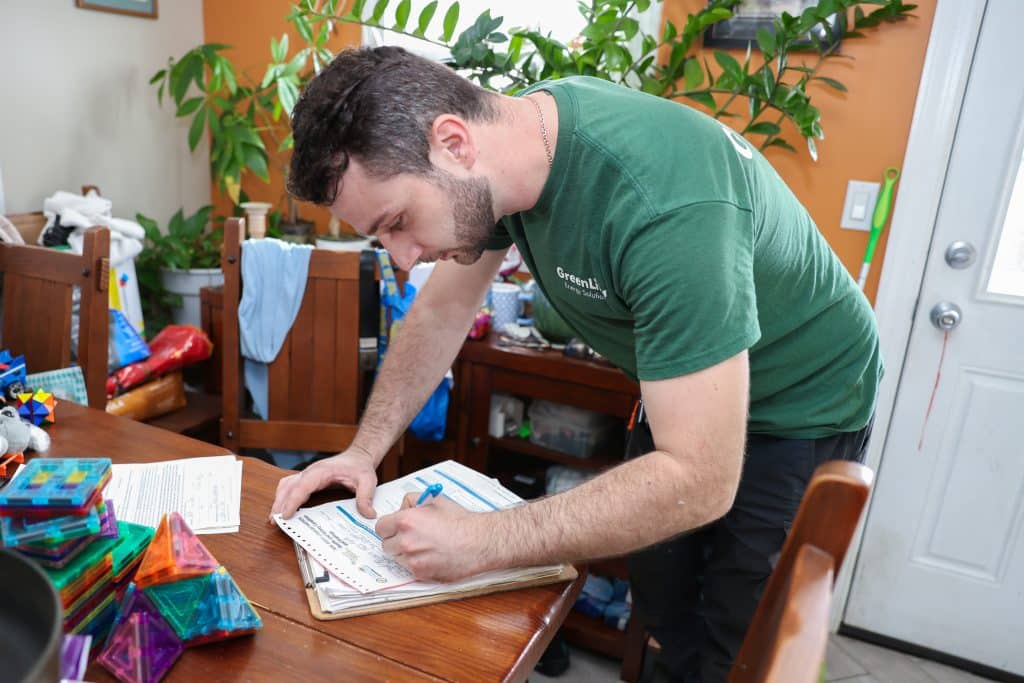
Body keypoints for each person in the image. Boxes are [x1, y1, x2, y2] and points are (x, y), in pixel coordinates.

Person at [270, 45, 881, 682]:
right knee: (665, 599)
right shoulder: (505, 157)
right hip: (682, 382)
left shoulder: (666, 207)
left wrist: (483, 540)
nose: (402, 258)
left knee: (741, 641)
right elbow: (438, 316)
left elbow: (701, 478)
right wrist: (363, 453)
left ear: (453, 143)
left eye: (398, 222)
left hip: (801, 398)